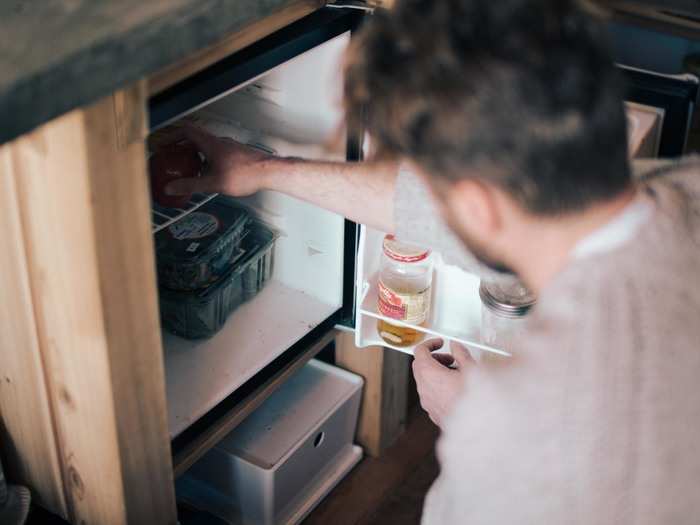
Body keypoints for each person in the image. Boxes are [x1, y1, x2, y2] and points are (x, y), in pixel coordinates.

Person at [166, 0, 700, 522]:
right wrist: (263, 170)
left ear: (477, 206)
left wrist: (472, 421)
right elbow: (421, 206)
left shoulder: (513, 458)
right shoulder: (684, 182)